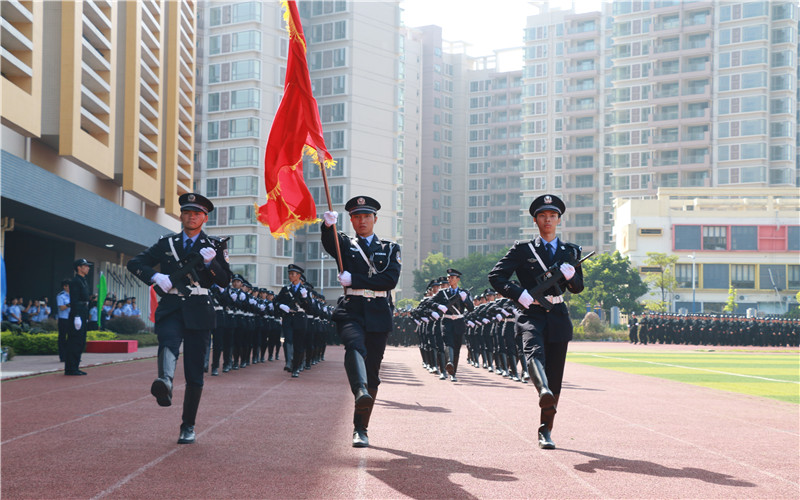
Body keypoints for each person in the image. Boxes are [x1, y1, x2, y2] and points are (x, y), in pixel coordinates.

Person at [127, 193, 231, 445]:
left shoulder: (215, 245)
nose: (191, 217)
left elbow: (225, 280)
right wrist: (155, 277)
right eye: (187, 212)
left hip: (200, 308)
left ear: (205, 218)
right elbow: (135, 263)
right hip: (171, 306)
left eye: (196, 214)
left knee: (195, 372)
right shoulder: (167, 243)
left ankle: (188, 425)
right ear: (181, 216)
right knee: (168, 341)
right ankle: (165, 382)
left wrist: (211, 264)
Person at [489, 194, 584, 450]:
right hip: (531, 312)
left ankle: (546, 429)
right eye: (543, 216)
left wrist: (572, 277)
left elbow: (578, 288)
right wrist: (518, 293)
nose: (548, 220)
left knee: (556, 375)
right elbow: (496, 276)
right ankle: (543, 390)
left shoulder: (571, 251)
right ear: (535, 220)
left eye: (552, 216)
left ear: (559, 220)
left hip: (558, 313)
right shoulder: (523, 250)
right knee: (533, 351)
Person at [321, 195, 401, 448]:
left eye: (367, 216)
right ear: (351, 220)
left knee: (372, 372)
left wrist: (354, 279)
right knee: (354, 345)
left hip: (378, 311)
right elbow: (330, 243)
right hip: (352, 309)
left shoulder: (390, 249)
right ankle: (359, 390)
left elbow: (389, 280)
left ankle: (360, 428)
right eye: (357, 217)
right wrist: (327, 226)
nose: (362, 221)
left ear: (375, 219)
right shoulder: (346, 244)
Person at [431, 268, 474, 382]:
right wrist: (439, 306)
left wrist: (465, 300)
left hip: (459, 322)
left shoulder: (464, 292)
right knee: (448, 343)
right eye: (448, 277)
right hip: (447, 321)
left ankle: (453, 372)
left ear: (458, 279)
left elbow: (471, 308)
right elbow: (430, 302)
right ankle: (448, 363)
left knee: (457, 348)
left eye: (452, 277)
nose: (449, 279)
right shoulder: (443, 293)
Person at [275, 264, 311, 377]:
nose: (290, 276)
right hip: (288, 318)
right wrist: (281, 306)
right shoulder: (285, 289)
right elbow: (276, 301)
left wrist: (305, 298)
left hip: (300, 318)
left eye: (292, 274)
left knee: (299, 343)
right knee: (288, 340)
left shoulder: (305, 290)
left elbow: (310, 308)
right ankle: (289, 362)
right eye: (289, 274)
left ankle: (296, 367)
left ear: (299, 275)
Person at [65, 258, 92, 376]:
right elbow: (74, 300)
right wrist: (76, 316)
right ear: (79, 268)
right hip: (78, 312)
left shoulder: (83, 281)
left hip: (83, 311)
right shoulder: (75, 281)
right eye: (85, 266)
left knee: (81, 341)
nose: (88, 268)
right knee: (75, 341)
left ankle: (75, 366)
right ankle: (71, 368)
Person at [56, 281, 71, 361]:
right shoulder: (61, 296)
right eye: (68, 286)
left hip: (71, 318)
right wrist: (70, 304)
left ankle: (70, 355)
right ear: (64, 287)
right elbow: (61, 308)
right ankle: (63, 356)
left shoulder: (72, 295)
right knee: (62, 337)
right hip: (63, 318)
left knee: (71, 337)